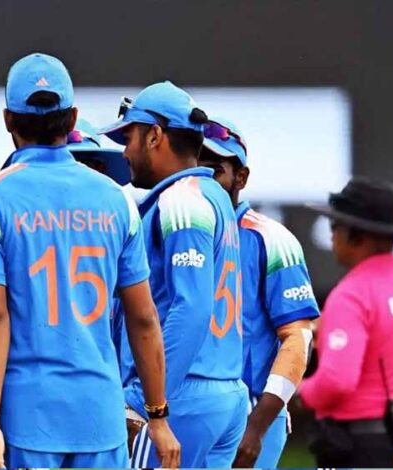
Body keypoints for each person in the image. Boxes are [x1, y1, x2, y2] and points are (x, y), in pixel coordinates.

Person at [0, 53, 179, 469]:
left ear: (8, 120)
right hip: (101, 420)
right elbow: (144, 318)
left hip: (24, 420)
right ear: (73, 117)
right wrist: (158, 416)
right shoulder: (117, 200)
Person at [99, 82, 249, 468]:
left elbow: (192, 308)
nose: (125, 152)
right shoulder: (213, 195)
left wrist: (146, 402)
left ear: (155, 136)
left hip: (181, 394)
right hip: (223, 390)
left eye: (129, 138)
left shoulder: (183, 198)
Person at [198, 116, 320, 468]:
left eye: (214, 170)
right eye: (195, 168)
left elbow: (298, 338)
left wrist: (257, 425)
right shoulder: (174, 227)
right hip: (184, 410)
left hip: (251, 415)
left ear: (241, 177)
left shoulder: (271, 238)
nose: (202, 180)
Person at [298, 177, 393, 467]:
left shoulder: (351, 295)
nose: (331, 237)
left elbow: (336, 381)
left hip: (369, 448)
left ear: (355, 235)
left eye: (335, 227)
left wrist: (298, 392)